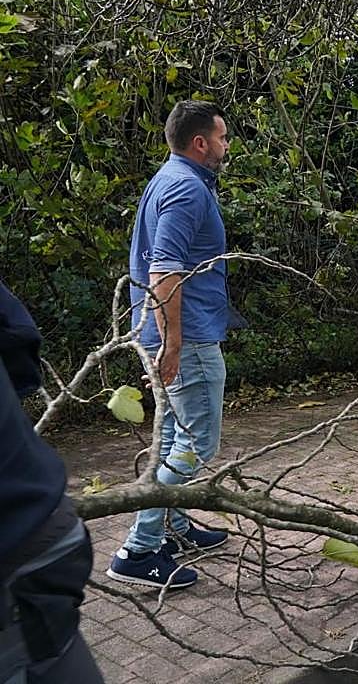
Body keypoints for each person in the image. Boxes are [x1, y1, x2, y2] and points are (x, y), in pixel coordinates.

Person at [107, 100, 232, 590]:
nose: (226, 146)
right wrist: (173, 343)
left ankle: (174, 525)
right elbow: (163, 269)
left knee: (176, 438)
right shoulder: (185, 189)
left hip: (178, 331)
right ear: (200, 143)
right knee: (198, 444)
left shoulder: (171, 178)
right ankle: (138, 551)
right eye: (222, 138)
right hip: (189, 337)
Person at [1, 280, 105, 683]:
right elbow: (18, 340)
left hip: (26, 540)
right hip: (34, 528)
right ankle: (146, 545)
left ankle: (153, 540)